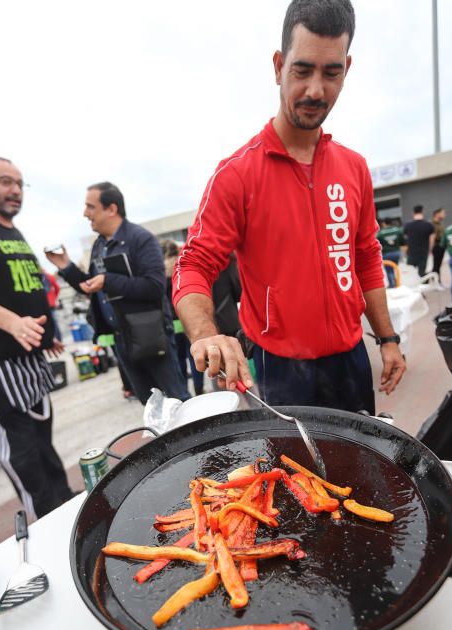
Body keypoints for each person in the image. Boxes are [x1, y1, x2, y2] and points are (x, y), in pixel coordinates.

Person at [173, 0, 406, 414]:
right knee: (294, 476)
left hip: (350, 358)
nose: (316, 90)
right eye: (302, 70)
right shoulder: (237, 173)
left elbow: (366, 257)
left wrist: (387, 339)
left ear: (346, 70)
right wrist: (205, 333)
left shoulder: (354, 168)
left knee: (362, 472)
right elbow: (193, 263)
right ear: (278, 66)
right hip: (280, 366)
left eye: (331, 73)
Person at [45, 182, 190, 405]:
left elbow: (154, 287)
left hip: (152, 336)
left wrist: (108, 281)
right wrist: (67, 267)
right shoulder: (99, 245)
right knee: (150, 405)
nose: (85, 213)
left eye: (90, 207)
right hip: (122, 339)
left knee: (176, 401)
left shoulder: (140, 239)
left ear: (111, 209)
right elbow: (91, 287)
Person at [0, 156, 75, 518]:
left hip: (30, 358)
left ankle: (67, 512)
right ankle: (45, 522)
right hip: (2, 369)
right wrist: (12, 322)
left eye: (18, 183)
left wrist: (45, 339)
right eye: (4, 182)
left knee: (45, 447)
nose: (14, 190)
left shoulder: (13, 232)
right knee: (24, 458)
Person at [162, 239, 204, 395]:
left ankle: (185, 390)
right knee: (192, 355)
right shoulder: (182, 266)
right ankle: (198, 388)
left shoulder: (161, 272)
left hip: (174, 322)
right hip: (186, 317)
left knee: (180, 358)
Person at [404, 205, 435, 278]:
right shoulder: (429, 225)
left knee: (411, 274)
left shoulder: (407, 226)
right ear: (422, 212)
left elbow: (405, 240)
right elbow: (432, 240)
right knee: (422, 273)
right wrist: (430, 250)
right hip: (423, 252)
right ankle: (423, 285)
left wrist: (406, 250)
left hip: (411, 253)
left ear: (413, 213)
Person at [376, 218, 405, 288]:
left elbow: (377, 245)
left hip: (386, 254)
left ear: (384, 223)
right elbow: (403, 242)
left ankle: (392, 285)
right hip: (396, 253)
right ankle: (397, 283)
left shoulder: (380, 233)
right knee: (395, 268)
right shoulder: (398, 230)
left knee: (389, 270)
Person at [42, 268, 62, 340]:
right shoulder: (49, 276)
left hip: (43, 304)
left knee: (46, 323)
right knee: (54, 323)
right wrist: (54, 298)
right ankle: (58, 340)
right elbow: (57, 288)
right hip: (51, 304)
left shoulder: (36, 278)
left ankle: (52, 340)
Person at [431, 207, 447, 286]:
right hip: (436, 247)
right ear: (437, 214)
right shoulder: (432, 224)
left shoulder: (440, 224)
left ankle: (437, 282)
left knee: (438, 265)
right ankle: (436, 283)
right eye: (443, 213)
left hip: (441, 247)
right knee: (436, 265)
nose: (444, 215)